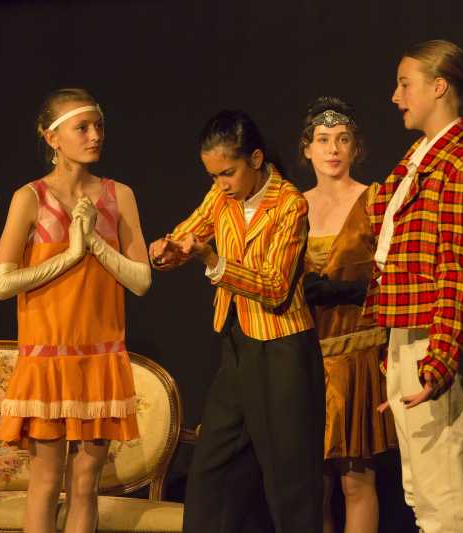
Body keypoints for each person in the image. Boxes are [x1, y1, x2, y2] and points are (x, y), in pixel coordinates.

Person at [150, 110, 324, 533]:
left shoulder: (290, 204)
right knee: (212, 469)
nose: (221, 184)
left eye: (227, 173)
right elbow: (190, 231)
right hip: (238, 342)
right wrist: (167, 249)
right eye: (213, 176)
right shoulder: (222, 196)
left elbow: (276, 287)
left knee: (289, 477)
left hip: (282, 348)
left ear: (256, 159)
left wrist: (213, 260)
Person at [0, 88, 150, 533]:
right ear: (52, 137)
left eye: (98, 126)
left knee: (85, 484)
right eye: (82, 127)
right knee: (45, 483)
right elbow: (2, 283)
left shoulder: (119, 195)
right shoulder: (30, 197)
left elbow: (141, 280)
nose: (95, 135)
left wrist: (95, 242)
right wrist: (70, 254)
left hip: (99, 358)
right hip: (48, 359)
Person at [364, 39, 463, 533]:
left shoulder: (459, 165)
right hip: (410, 335)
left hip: (441, 342)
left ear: (439, 87)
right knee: (422, 499)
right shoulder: (419, 159)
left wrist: (437, 363)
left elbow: (458, 272)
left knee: (446, 509)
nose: (395, 96)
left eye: (405, 84)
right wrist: (397, 353)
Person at [299, 96, 397, 533]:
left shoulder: (375, 200)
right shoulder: (293, 206)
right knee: (313, 484)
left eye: (342, 139)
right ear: (307, 148)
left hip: (357, 356)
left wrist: (355, 290)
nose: (333, 149)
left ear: (357, 147)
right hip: (306, 356)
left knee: (356, 480)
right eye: (323, 139)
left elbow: (396, 273)